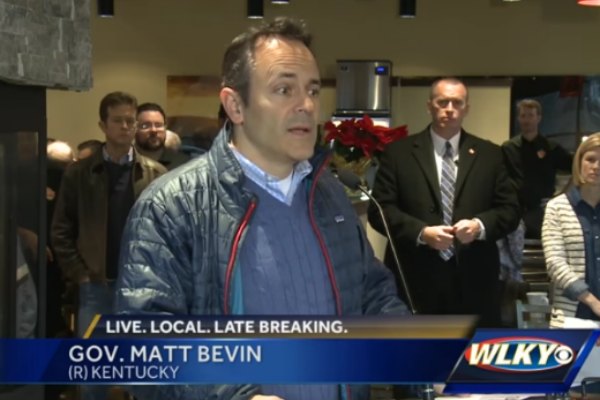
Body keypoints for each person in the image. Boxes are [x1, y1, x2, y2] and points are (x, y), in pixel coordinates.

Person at [116, 17, 407, 400]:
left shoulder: (330, 195)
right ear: (235, 105)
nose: (306, 105)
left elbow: (372, 295)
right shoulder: (172, 206)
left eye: (312, 90)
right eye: (284, 89)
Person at [368, 77, 520, 328]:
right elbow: (379, 210)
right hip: (414, 277)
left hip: (474, 280)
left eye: (457, 103)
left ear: (466, 109)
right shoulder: (399, 153)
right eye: (442, 102)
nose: (449, 109)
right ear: (429, 106)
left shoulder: (491, 155)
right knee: (415, 349)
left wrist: (479, 226)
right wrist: (421, 233)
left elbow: (510, 210)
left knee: (470, 350)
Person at [542, 133, 600, 327]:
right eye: (590, 159)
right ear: (579, 162)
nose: (596, 166)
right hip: (571, 317)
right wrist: (593, 302)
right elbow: (555, 263)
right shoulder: (557, 207)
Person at [502, 99, 572, 239]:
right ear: (518, 118)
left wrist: (561, 196)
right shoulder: (508, 148)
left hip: (543, 211)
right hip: (515, 211)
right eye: (523, 115)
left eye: (531, 115)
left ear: (539, 118)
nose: (526, 120)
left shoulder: (551, 148)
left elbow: (576, 169)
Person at [134, 102, 191, 170]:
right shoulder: (126, 162)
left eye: (158, 125)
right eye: (145, 126)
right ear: (134, 128)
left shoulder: (184, 164)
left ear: (165, 127)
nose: (154, 130)